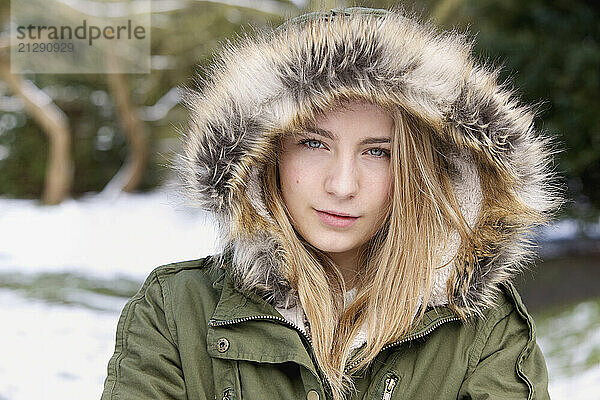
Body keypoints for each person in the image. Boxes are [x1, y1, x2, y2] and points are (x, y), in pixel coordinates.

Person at [101, 7, 560, 400]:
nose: (343, 185)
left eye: (378, 151)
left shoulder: (485, 332)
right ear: (266, 154)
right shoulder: (175, 312)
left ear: (422, 170)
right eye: (314, 144)